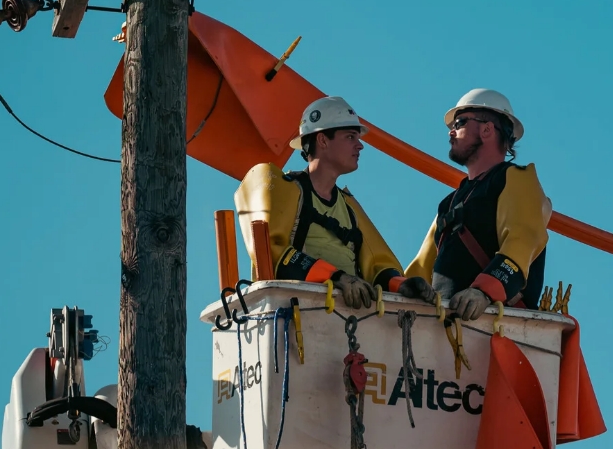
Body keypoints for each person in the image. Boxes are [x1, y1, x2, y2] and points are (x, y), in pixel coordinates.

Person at [235, 96, 436, 308]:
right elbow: (272, 251)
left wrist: (401, 284)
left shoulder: (349, 207)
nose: (360, 146)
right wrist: (336, 277)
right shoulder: (288, 190)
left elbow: (378, 265)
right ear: (322, 140)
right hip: (296, 314)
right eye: (350, 137)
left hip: (345, 319)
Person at [406, 88, 550, 320]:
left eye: (460, 123)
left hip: (496, 323)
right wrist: (401, 287)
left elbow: (524, 238)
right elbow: (422, 266)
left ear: (487, 129)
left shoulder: (515, 178)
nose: (451, 132)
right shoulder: (449, 204)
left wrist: (484, 291)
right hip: (441, 325)